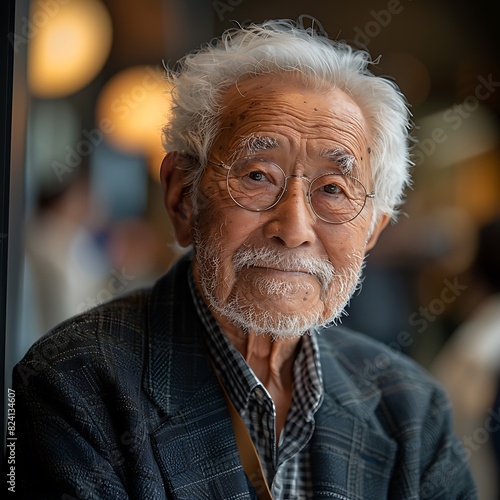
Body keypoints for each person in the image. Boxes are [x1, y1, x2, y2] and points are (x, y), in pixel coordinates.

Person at [10, 19, 477, 499]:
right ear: (182, 198)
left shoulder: (413, 413)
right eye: (258, 176)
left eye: (333, 189)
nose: (294, 230)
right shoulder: (71, 387)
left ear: (373, 229)